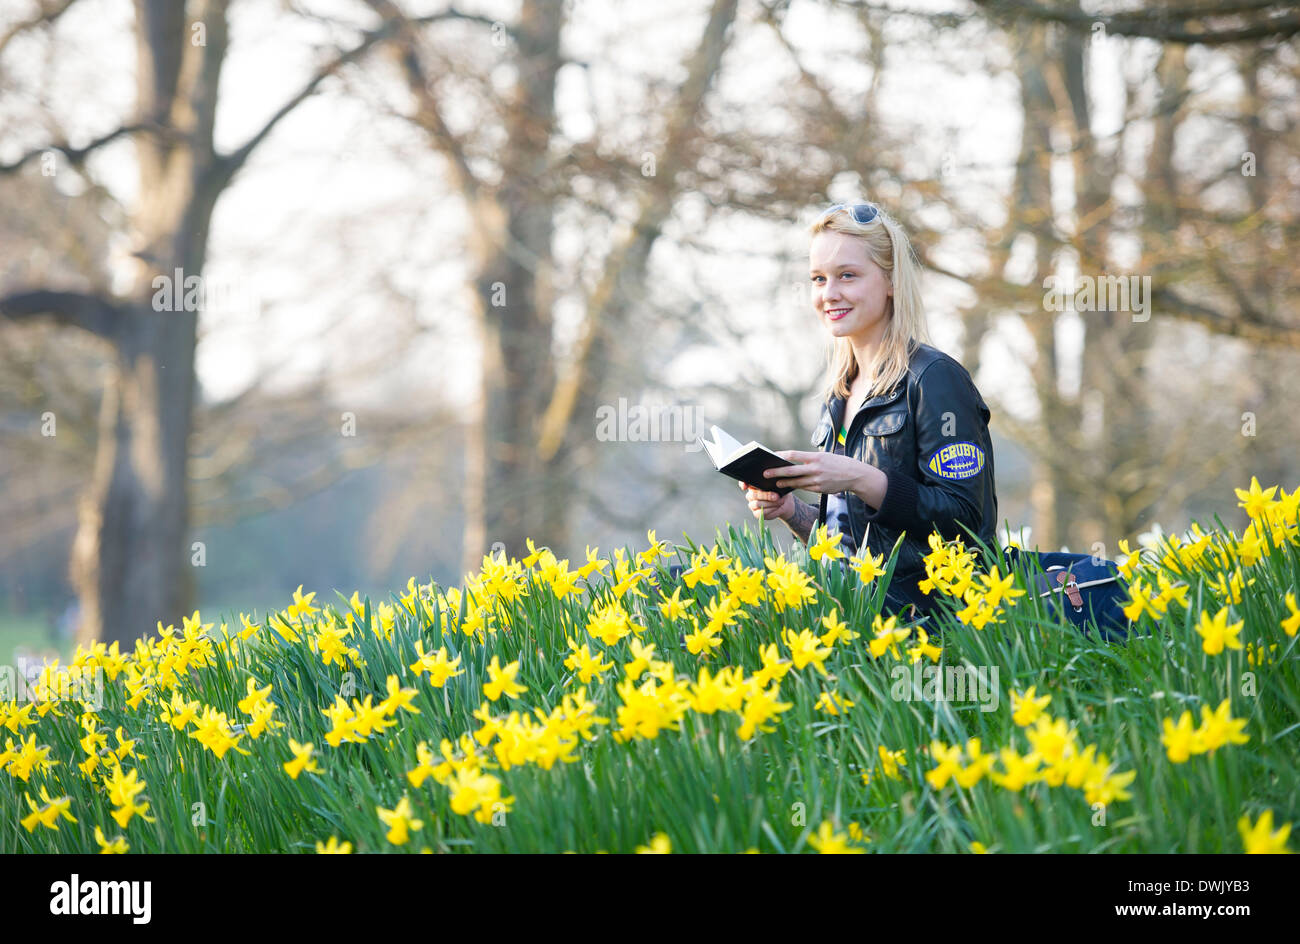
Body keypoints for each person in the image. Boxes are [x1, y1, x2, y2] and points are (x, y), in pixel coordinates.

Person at [739, 201, 998, 621]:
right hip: (852, 619)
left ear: (891, 280)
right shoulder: (839, 392)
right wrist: (791, 511)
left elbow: (967, 522)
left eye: (847, 276)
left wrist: (862, 478)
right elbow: (850, 545)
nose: (829, 294)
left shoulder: (934, 380)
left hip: (926, 628)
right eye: (818, 279)